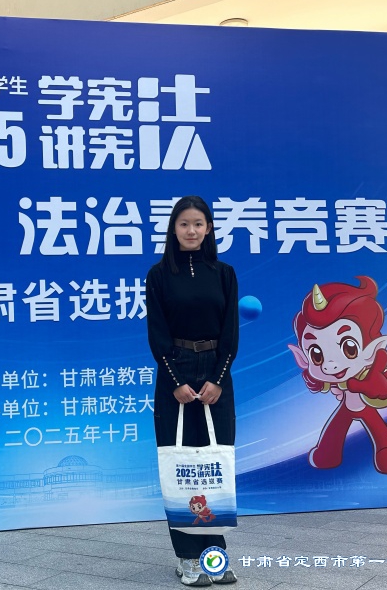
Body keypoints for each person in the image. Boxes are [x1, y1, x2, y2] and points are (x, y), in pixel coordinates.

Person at [146, 195, 239, 587]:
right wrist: (175, 382)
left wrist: (217, 378)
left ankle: (214, 555)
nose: (191, 230)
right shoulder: (158, 275)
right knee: (182, 468)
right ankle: (187, 558)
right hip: (175, 372)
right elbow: (157, 334)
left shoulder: (224, 273)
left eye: (198, 223)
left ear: (209, 228)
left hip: (216, 373)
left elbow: (230, 334)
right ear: (174, 228)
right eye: (184, 223)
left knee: (213, 466)